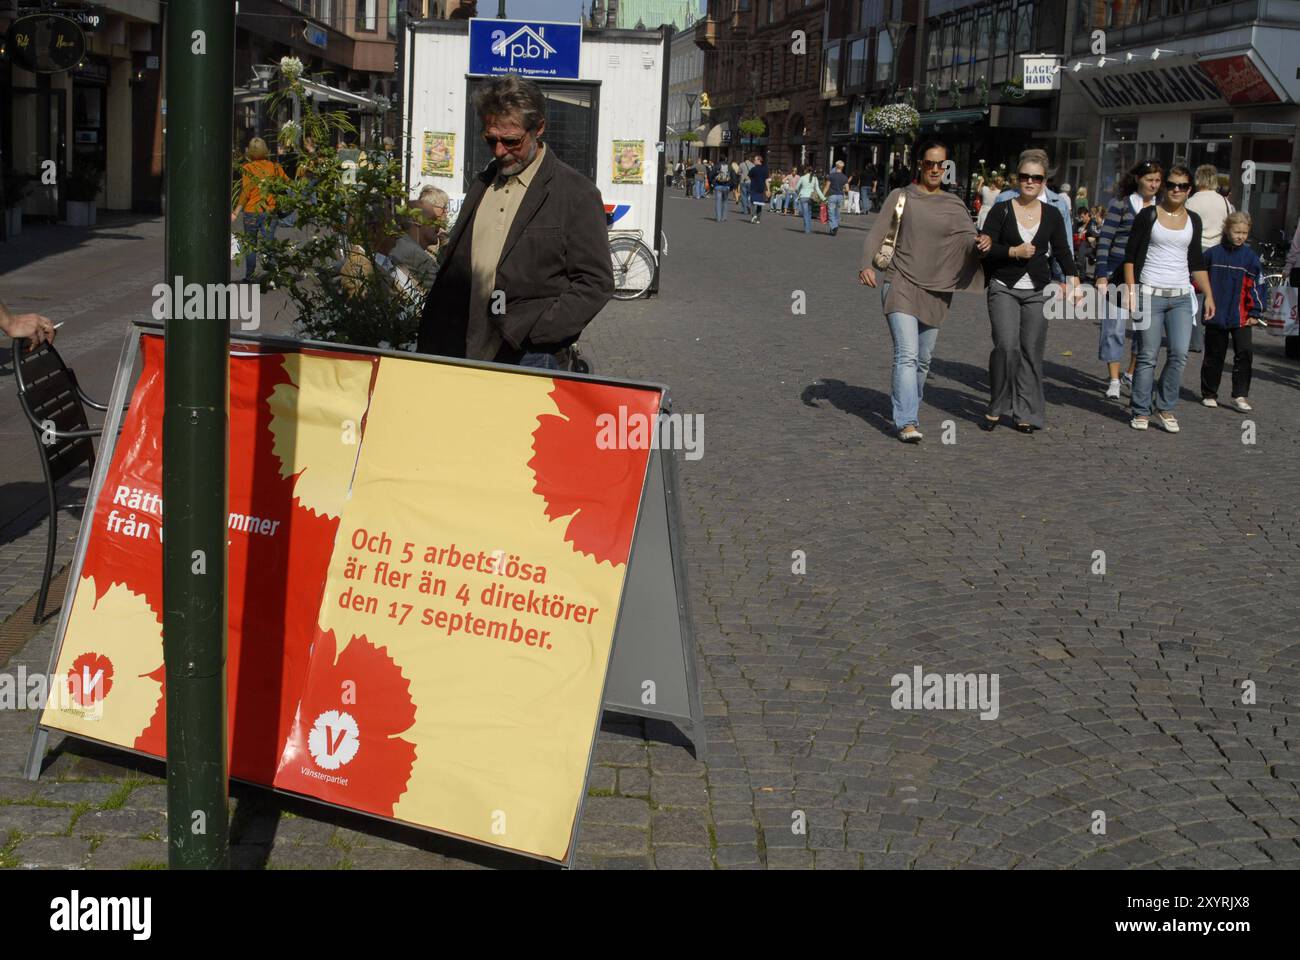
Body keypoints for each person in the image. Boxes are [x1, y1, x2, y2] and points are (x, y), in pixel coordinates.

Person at [415, 74, 613, 368]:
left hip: (530, 358)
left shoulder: (576, 194)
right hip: (463, 353)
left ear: (539, 129)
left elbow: (596, 282)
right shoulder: (483, 182)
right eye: (490, 139)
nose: (499, 151)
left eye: (511, 141)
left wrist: (538, 331)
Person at [859, 140, 987, 443]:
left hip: (937, 289)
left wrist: (982, 245)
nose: (934, 169)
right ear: (920, 164)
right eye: (929, 163)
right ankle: (907, 421)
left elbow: (969, 240)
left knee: (923, 359)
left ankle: (908, 405)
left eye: (940, 164)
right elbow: (877, 232)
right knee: (906, 354)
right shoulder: (900, 196)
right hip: (900, 281)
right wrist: (865, 264)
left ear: (946, 167)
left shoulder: (954, 204)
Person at [977, 155, 1080, 433]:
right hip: (1004, 287)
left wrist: (1074, 279)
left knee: (1031, 352)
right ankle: (997, 405)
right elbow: (986, 246)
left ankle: (1026, 412)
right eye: (1025, 177)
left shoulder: (1053, 214)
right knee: (1006, 347)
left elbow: (1061, 251)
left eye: (1036, 178)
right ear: (1017, 179)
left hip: (1038, 290)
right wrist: (1013, 252)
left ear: (1044, 182)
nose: (1030, 182)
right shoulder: (1002, 210)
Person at [1122, 163, 1216, 433]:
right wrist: (1131, 292)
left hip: (1182, 297)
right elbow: (1130, 257)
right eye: (1172, 184)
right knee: (1148, 355)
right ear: (1165, 187)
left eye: (1182, 186)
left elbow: (1196, 261)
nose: (1176, 190)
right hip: (1150, 293)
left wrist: (1208, 294)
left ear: (1189, 190)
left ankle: (1165, 406)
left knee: (1179, 354)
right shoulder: (1148, 215)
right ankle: (1140, 409)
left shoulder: (1193, 220)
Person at [1097, 159, 1163, 399]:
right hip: (1117, 273)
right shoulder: (1121, 205)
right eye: (1149, 179)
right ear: (1138, 179)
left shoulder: (1162, 209)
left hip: (1148, 275)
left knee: (1142, 330)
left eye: (1157, 180)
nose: (1154, 185)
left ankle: (1132, 373)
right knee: (1113, 328)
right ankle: (1114, 380)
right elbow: (1105, 239)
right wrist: (1101, 274)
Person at [1200, 211, 1268, 412]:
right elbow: (1197, 276)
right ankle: (1209, 393)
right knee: (1214, 355)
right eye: (1237, 232)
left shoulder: (1250, 258)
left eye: (1245, 233)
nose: (1241, 236)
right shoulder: (1213, 254)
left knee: (1244, 353)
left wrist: (1256, 312)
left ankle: (1240, 394)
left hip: (1242, 316)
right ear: (1227, 230)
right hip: (1216, 314)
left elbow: (1257, 286)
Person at [1185, 164, 1234, 353]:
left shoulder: (1192, 201)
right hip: (1219, 252)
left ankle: (1195, 340)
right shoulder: (1224, 202)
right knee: (1213, 294)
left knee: (1195, 295)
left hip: (1197, 251)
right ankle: (1213, 337)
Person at [231, 137, 289, 282]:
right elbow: (287, 184)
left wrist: (236, 211)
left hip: (251, 211)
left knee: (250, 245)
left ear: (250, 151)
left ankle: (249, 276)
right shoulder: (274, 167)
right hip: (270, 211)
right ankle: (273, 276)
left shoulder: (247, 169)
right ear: (265, 149)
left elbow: (245, 192)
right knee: (269, 244)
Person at [795, 165, 826, 234]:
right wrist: (823, 198)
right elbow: (817, 189)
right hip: (811, 197)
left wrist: (799, 193)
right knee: (809, 213)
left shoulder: (802, 178)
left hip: (803, 196)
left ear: (805, 170)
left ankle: (807, 229)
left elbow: (796, 188)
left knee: (805, 213)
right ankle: (808, 228)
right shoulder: (815, 178)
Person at [825, 160, 849, 236]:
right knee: (837, 213)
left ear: (836, 166)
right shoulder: (845, 177)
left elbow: (826, 187)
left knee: (831, 212)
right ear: (842, 167)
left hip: (832, 195)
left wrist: (822, 196)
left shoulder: (831, 176)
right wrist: (842, 189)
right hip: (840, 196)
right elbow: (847, 189)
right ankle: (834, 227)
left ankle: (834, 226)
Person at [748, 154, 770, 223]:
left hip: (754, 188)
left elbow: (749, 177)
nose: (754, 161)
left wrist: (753, 180)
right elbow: (767, 180)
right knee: (759, 203)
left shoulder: (753, 169)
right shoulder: (765, 169)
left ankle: (754, 214)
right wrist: (768, 190)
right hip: (761, 188)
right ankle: (758, 219)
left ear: (758, 160)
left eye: (754, 160)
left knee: (752, 202)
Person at [712, 155, 733, 221]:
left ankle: (718, 218)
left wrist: (712, 183)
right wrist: (732, 186)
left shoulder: (717, 166)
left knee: (718, 202)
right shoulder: (729, 166)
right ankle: (724, 217)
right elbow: (733, 176)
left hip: (718, 186)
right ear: (726, 159)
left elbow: (711, 174)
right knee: (725, 202)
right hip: (726, 186)